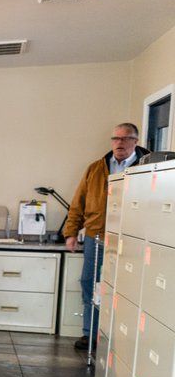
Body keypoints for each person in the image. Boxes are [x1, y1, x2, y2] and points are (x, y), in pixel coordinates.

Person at [63, 123, 150, 351]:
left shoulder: (149, 166)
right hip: (97, 236)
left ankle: (122, 337)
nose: (119, 143)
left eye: (125, 139)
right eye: (116, 139)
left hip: (133, 238)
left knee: (127, 287)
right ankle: (90, 333)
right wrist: (71, 232)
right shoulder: (96, 168)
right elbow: (78, 202)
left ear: (135, 141)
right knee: (90, 283)